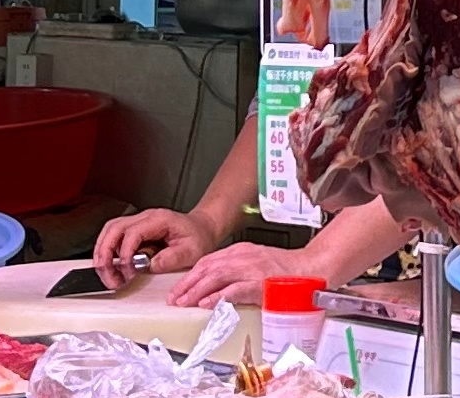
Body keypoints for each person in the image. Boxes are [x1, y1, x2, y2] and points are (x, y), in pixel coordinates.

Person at [93, 120, 405, 305]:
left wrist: (312, 263)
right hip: (335, 285)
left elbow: (423, 151)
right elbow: (277, 106)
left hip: (416, 289)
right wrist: (207, 222)